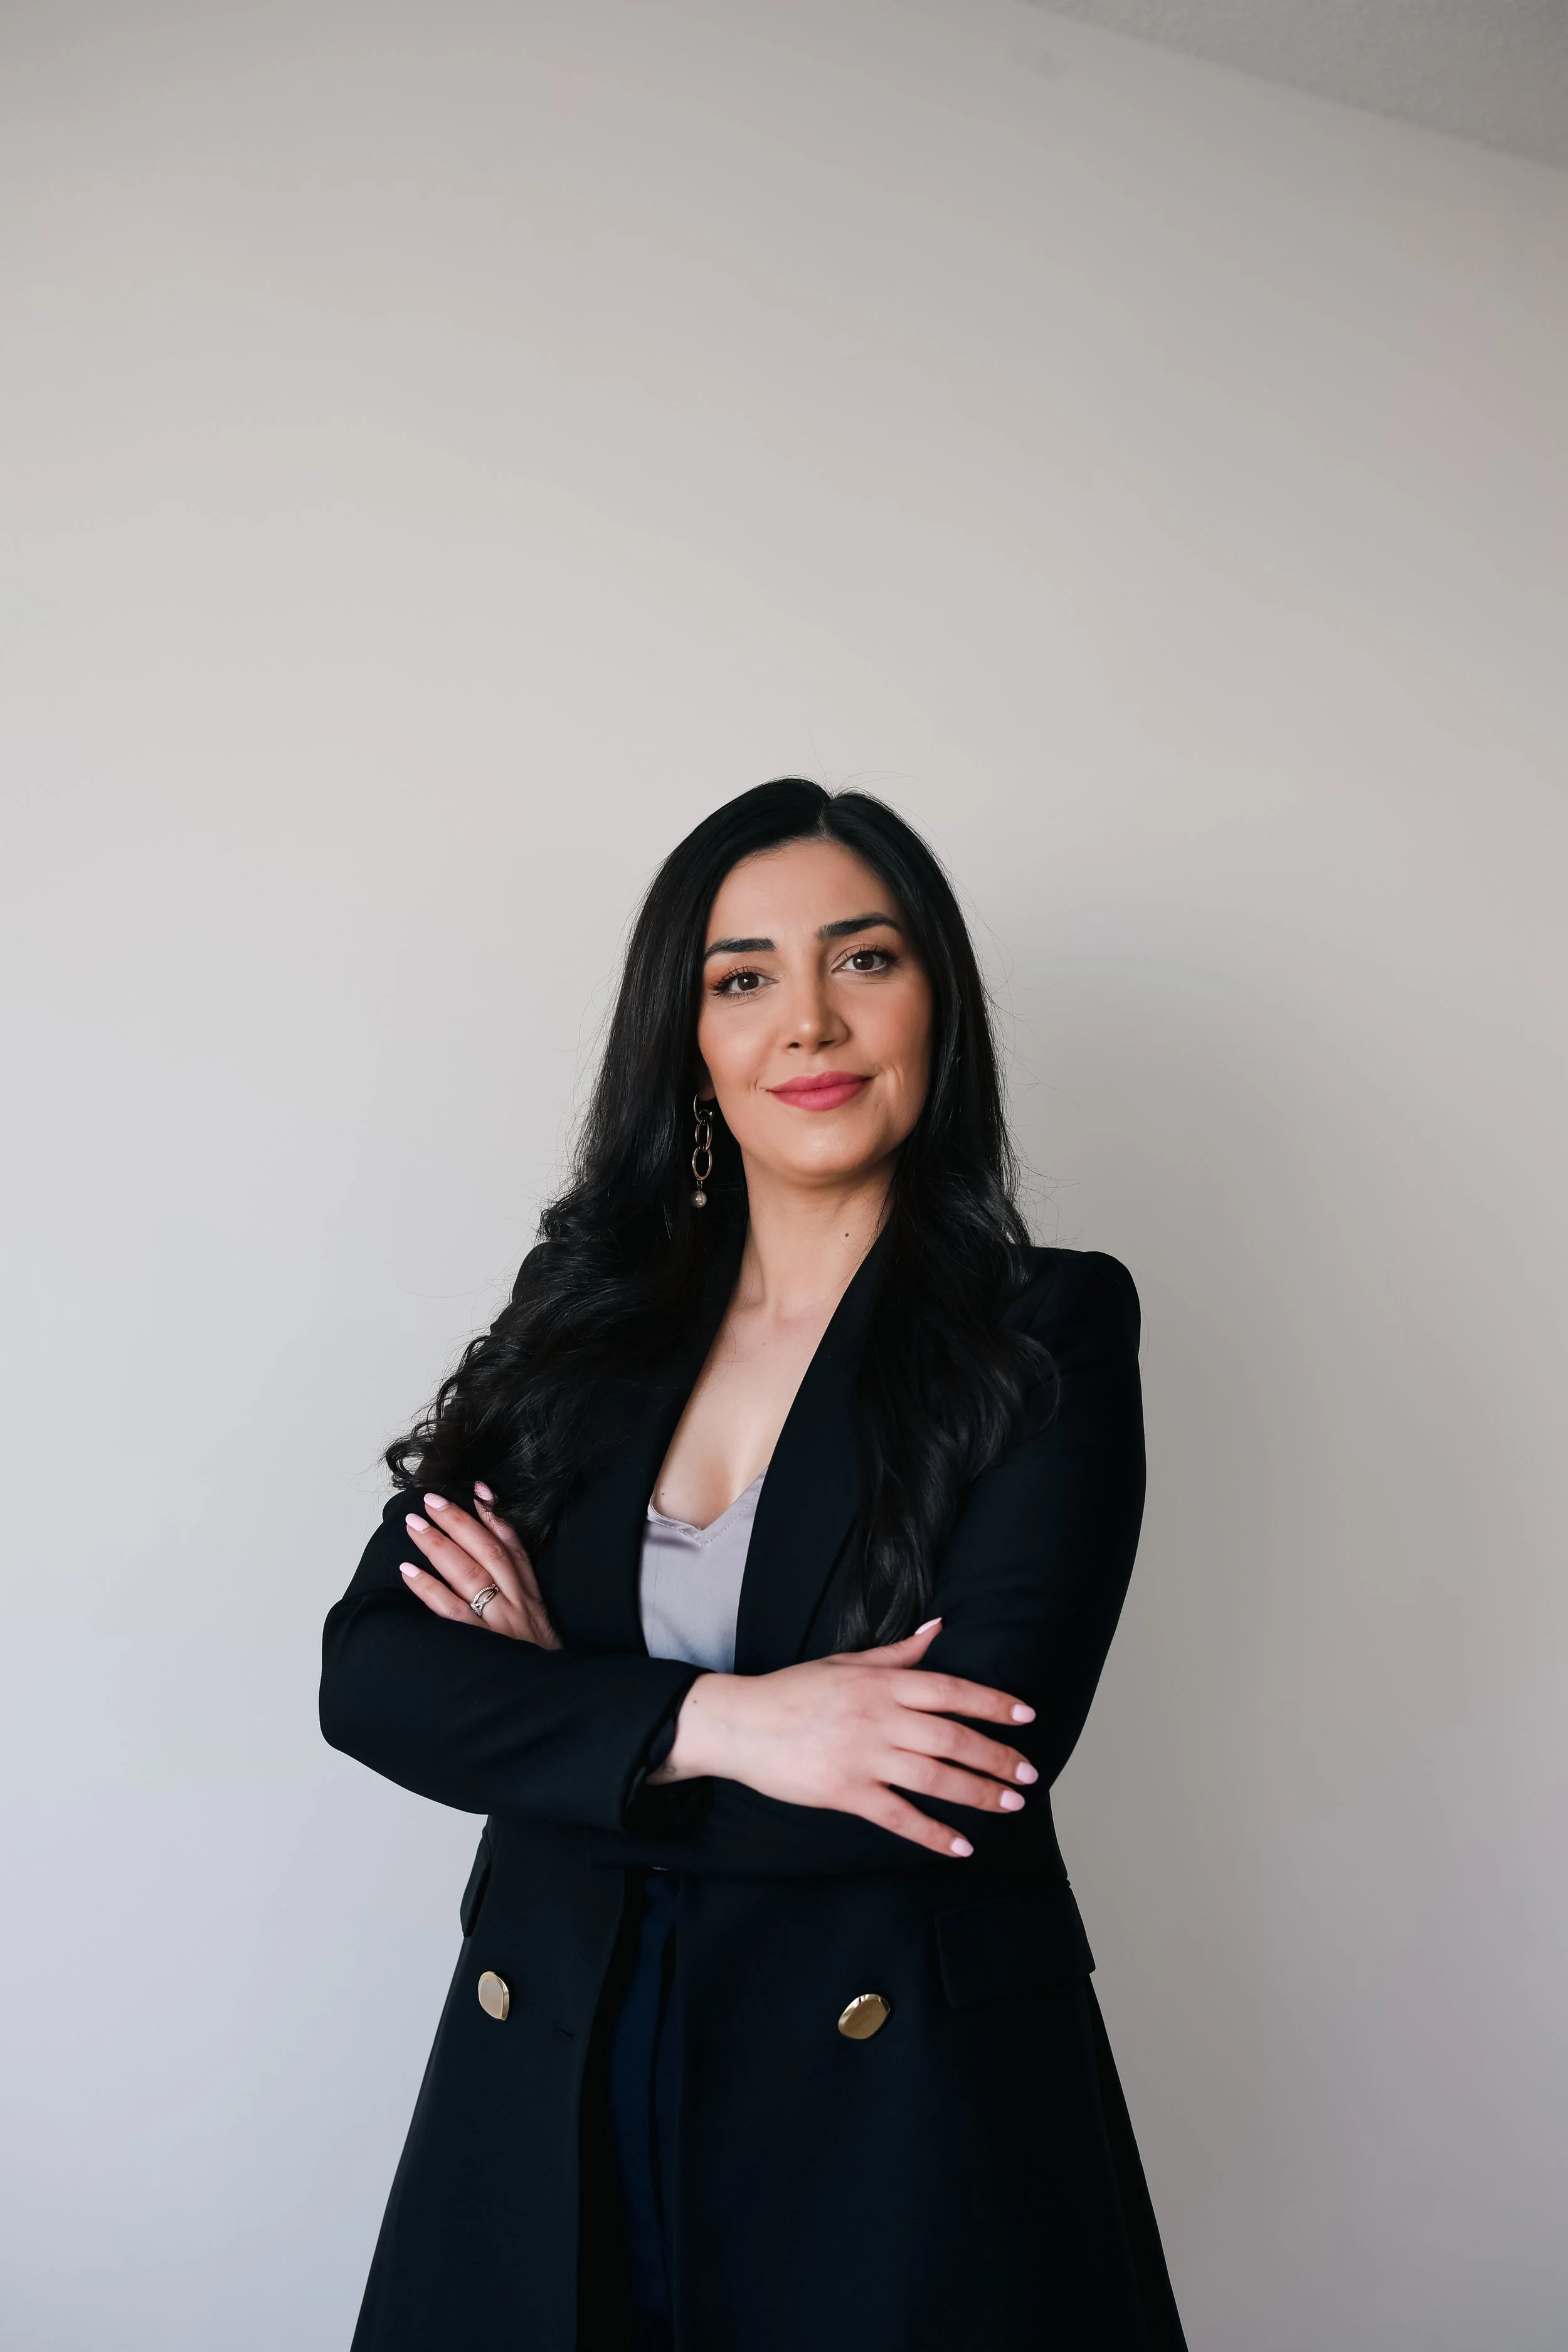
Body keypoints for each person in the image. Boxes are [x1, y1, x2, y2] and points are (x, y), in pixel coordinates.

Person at [320, 778, 1187, 2352]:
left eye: (863, 961)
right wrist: (733, 1724)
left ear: (935, 1005)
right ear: (690, 1041)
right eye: (742, 979)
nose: (809, 1022)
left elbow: (960, 1765)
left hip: (900, 2123)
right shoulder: (580, 1318)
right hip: (553, 2079)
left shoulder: (1044, 1328)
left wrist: (563, 1721)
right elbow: (373, 1675)